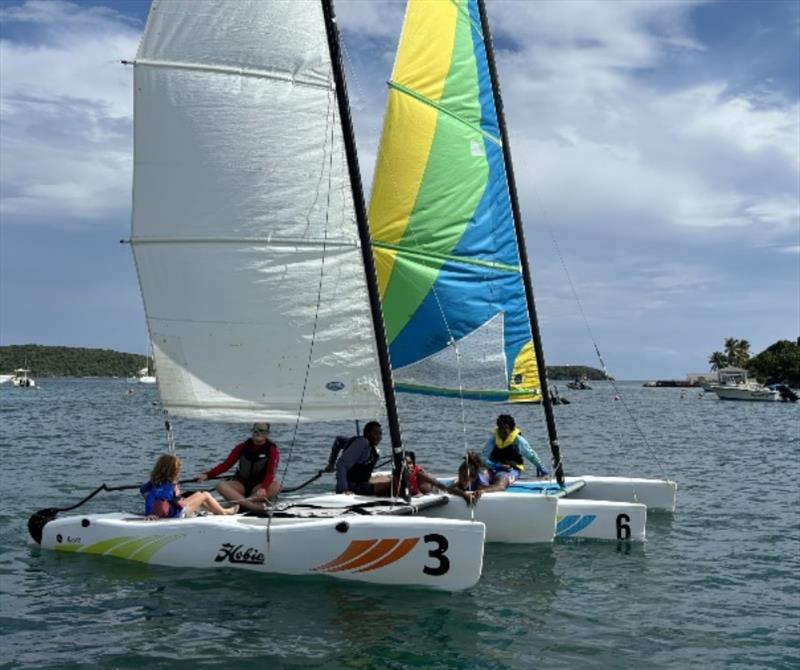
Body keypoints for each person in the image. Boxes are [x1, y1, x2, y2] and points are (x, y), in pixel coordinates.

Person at [195, 422, 280, 512]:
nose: (258, 432)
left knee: (276, 486)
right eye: (256, 430)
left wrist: (264, 487)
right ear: (252, 431)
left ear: (267, 433)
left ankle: (240, 504)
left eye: (262, 431)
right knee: (220, 485)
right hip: (241, 485)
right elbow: (225, 465)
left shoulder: (272, 450)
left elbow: (271, 473)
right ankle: (252, 506)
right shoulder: (242, 447)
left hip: (258, 487)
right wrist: (207, 475)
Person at [141, 454, 238, 519]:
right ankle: (224, 512)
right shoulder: (171, 486)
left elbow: (143, 491)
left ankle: (213, 509)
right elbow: (179, 504)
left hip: (169, 510)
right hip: (177, 514)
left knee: (198, 494)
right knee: (205, 495)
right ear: (173, 472)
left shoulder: (153, 482)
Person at [480, 414, 549, 491]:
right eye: (500, 428)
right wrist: (495, 466)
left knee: (501, 482)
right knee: (480, 478)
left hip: (510, 470)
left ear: (512, 429)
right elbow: (483, 458)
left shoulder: (518, 440)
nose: (502, 431)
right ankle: (478, 491)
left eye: (505, 428)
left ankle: (482, 491)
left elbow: (531, 455)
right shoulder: (493, 439)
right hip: (493, 468)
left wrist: (542, 469)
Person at [335, 421, 391, 496]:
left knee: (388, 478)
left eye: (380, 434)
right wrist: (343, 490)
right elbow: (341, 464)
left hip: (361, 483)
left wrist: (330, 463)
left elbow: (338, 441)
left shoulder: (359, 442)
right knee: (390, 484)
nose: (379, 437)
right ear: (367, 433)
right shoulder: (362, 443)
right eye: (376, 433)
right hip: (353, 488)